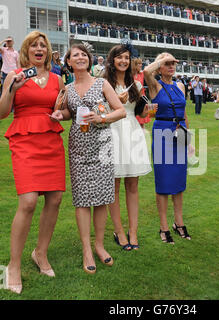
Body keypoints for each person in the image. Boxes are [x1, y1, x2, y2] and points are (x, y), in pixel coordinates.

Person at [0, 31, 67, 294]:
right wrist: (11, 91)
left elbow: (65, 109)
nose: (39, 49)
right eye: (34, 45)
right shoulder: (13, 76)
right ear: (26, 50)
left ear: (48, 52)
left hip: (50, 139)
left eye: (43, 46)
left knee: (56, 198)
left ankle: (41, 253)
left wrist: (63, 113)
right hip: (24, 139)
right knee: (28, 201)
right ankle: (13, 265)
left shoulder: (58, 80)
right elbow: (1, 113)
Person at [51, 43, 126, 274]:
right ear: (69, 62)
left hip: (102, 146)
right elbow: (67, 113)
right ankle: (86, 249)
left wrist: (102, 119)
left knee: (103, 197)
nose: (81, 57)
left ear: (89, 60)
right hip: (79, 148)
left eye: (84, 54)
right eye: (76, 55)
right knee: (82, 199)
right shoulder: (68, 88)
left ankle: (100, 245)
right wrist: (58, 114)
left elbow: (120, 110)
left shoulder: (101, 83)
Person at [104, 44, 152, 251]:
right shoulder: (103, 83)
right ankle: (119, 230)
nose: (123, 61)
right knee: (113, 185)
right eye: (119, 57)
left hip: (132, 133)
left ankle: (133, 231)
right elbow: (99, 110)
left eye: (126, 57)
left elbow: (141, 113)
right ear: (112, 60)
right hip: (112, 132)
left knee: (133, 185)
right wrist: (115, 102)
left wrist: (148, 109)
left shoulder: (137, 86)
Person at [144, 52, 192, 244]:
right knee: (163, 183)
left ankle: (178, 222)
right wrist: (161, 59)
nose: (171, 66)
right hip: (163, 132)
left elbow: (184, 112)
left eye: (173, 63)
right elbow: (146, 70)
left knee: (179, 182)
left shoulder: (180, 85)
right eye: (167, 63)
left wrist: (190, 139)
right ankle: (164, 226)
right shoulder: (155, 85)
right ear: (160, 66)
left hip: (180, 132)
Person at [132, 57, 151, 128]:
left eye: (141, 63)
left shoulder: (142, 74)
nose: (141, 65)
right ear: (134, 65)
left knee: (142, 123)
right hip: (133, 99)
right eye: (139, 63)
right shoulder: (130, 75)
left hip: (141, 99)